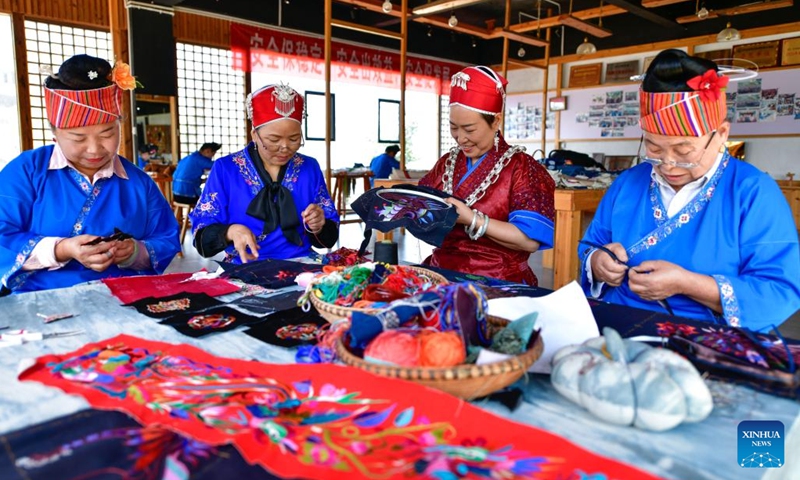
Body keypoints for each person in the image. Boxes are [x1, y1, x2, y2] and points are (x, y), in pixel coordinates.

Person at [579, 49, 800, 330]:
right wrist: (598, 263)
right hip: (619, 325)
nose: (669, 164)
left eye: (684, 150)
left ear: (721, 134)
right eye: (654, 148)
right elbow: (591, 245)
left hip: (710, 338)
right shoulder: (628, 183)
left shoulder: (753, 192)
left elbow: (779, 291)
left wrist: (688, 284)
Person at [0, 54, 181, 294]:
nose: (95, 149)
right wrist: (62, 249)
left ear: (120, 124)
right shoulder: (27, 170)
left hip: (125, 299)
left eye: (107, 134)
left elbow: (166, 239)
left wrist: (134, 252)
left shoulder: (138, 182)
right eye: (78, 138)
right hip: (43, 299)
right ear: (54, 132)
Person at [418, 66, 555, 285]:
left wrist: (472, 219)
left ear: (496, 121)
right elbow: (423, 207)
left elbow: (529, 242)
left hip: (498, 280)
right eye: (454, 127)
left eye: (470, 129)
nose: (460, 138)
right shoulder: (446, 163)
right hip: (440, 273)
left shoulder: (523, 168)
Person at [190, 83, 339, 263]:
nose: (284, 147)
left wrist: (318, 225)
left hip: (303, 262)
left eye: (294, 139)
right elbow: (202, 232)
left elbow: (329, 236)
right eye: (273, 139)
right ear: (254, 135)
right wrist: (230, 231)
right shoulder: (226, 169)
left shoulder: (309, 167)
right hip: (244, 264)